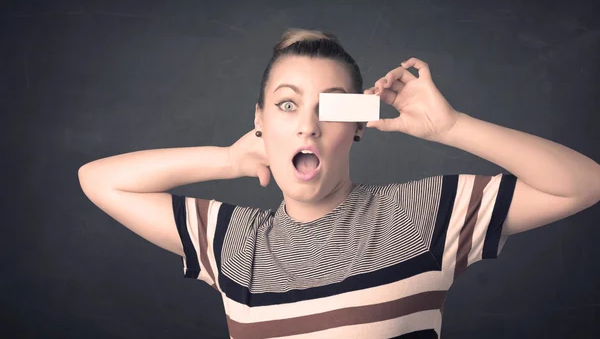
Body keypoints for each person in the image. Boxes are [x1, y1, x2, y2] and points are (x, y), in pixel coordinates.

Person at [78, 28, 600, 338]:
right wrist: (228, 158)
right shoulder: (231, 243)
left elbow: (581, 184)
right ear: (260, 120)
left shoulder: (417, 215)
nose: (307, 124)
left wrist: (453, 127)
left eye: (329, 107)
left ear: (355, 127)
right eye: (287, 105)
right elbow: (99, 181)